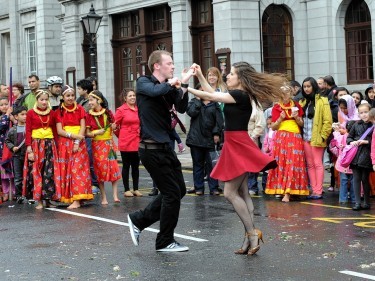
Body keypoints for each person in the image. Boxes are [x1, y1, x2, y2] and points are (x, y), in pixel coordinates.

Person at [188, 62, 283, 256]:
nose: (227, 76)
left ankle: (252, 234)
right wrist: (199, 76)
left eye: (231, 74)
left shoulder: (239, 95)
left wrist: (182, 87)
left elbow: (209, 96)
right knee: (243, 193)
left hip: (238, 144)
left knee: (229, 193)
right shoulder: (237, 95)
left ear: (241, 78)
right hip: (235, 143)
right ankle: (250, 238)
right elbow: (212, 93)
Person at [127, 50, 193, 252]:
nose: (172, 66)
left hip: (165, 147)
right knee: (171, 194)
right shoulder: (143, 82)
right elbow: (156, 91)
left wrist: (184, 83)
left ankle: (139, 220)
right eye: (169, 63)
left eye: (173, 63)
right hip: (151, 149)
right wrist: (172, 83)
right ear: (157, 65)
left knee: (179, 190)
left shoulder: (168, 86)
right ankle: (165, 241)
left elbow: (181, 107)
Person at [265, 85, 309, 202]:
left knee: (294, 163)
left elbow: (302, 124)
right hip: (281, 138)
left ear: (291, 94)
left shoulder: (296, 106)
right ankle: (282, 190)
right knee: (282, 163)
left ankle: (291, 191)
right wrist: (280, 118)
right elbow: (273, 127)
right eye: (283, 93)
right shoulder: (276, 107)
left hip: (295, 137)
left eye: (287, 93)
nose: (285, 95)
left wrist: (297, 118)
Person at [56, 85, 93, 209]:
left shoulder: (80, 109)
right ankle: (74, 197)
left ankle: (78, 199)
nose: (71, 98)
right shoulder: (59, 111)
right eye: (68, 96)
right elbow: (60, 131)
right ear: (63, 97)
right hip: (65, 144)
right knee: (68, 171)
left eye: (72, 95)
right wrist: (73, 136)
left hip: (79, 143)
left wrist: (77, 141)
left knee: (78, 170)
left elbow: (83, 126)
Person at [23, 90, 61, 209]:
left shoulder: (52, 113)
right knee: (36, 172)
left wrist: (58, 146)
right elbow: (28, 130)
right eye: (41, 99)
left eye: (46, 99)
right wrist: (29, 149)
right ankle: (39, 200)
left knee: (49, 172)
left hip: (49, 145)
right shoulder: (30, 113)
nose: (44, 102)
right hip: (36, 145)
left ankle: (48, 200)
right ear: (37, 100)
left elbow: (55, 131)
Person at [185, 85, 224, 196]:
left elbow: (219, 120)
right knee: (198, 164)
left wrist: (216, 133)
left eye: (204, 90)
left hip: (210, 139)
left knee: (211, 165)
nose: (202, 92)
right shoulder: (193, 102)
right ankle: (199, 188)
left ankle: (214, 188)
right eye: (200, 91)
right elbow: (191, 113)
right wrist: (197, 99)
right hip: (196, 139)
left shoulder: (214, 103)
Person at [86, 90, 121, 205]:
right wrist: (96, 132)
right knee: (100, 171)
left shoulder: (108, 113)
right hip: (97, 145)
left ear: (99, 100)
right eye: (89, 100)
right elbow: (87, 133)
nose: (89, 102)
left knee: (114, 168)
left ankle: (115, 195)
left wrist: (115, 127)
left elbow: (114, 127)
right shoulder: (89, 115)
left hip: (109, 144)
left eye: (91, 100)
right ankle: (104, 197)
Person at [300, 77, 332, 200]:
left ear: (314, 86)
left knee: (318, 163)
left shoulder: (322, 100)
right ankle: (314, 190)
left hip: (317, 138)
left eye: (309, 86)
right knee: (310, 165)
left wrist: (323, 136)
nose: (307, 89)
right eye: (305, 87)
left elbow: (328, 121)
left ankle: (318, 191)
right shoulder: (303, 102)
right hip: (306, 138)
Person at [114, 89, 142, 198]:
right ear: (125, 98)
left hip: (137, 140)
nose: (132, 97)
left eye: (134, 95)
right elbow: (115, 126)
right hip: (126, 141)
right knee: (126, 165)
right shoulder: (121, 110)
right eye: (130, 96)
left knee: (136, 166)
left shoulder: (138, 109)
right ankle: (126, 189)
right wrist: (121, 135)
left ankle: (136, 189)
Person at [348, 103, 373, 210]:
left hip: (367, 155)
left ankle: (367, 202)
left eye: (366, 112)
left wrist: (366, 141)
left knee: (365, 179)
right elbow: (349, 137)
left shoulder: (373, 125)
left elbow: (374, 141)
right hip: (356, 155)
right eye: (361, 113)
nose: (363, 115)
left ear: (370, 112)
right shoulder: (356, 125)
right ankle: (357, 202)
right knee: (356, 179)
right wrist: (352, 142)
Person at [76, 79, 99, 194]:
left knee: (90, 160)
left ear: (85, 90)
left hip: (89, 134)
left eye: (79, 88)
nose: (78, 91)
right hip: (82, 134)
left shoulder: (90, 101)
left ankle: (95, 184)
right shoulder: (80, 100)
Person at [5, 106, 27, 203]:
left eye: (26, 114)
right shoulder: (13, 129)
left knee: (29, 176)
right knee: (18, 177)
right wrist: (12, 147)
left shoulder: (29, 128)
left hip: (27, 155)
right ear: (16, 117)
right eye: (22, 114)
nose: (25, 116)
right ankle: (18, 196)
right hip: (17, 156)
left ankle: (29, 195)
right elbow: (7, 140)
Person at [331, 121, 355, 204]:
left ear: (347, 129)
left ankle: (343, 199)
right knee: (353, 182)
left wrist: (336, 130)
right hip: (353, 164)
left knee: (343, 182)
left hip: (343, 164)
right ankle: (354, 199)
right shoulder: (356, 139)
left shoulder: (342, 137)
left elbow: (336, 138)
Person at [0, 97, 13, 202]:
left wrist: (12, 117)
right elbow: (2, 127)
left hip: (12, 148)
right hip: (2, 149)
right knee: (3, 174)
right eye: (2, 105)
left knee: (13, 173)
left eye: (6, 104)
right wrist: (6, 115)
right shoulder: (3, 117)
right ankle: (5, 192)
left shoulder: (12, 117)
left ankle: (13, 192)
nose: (4, 106)